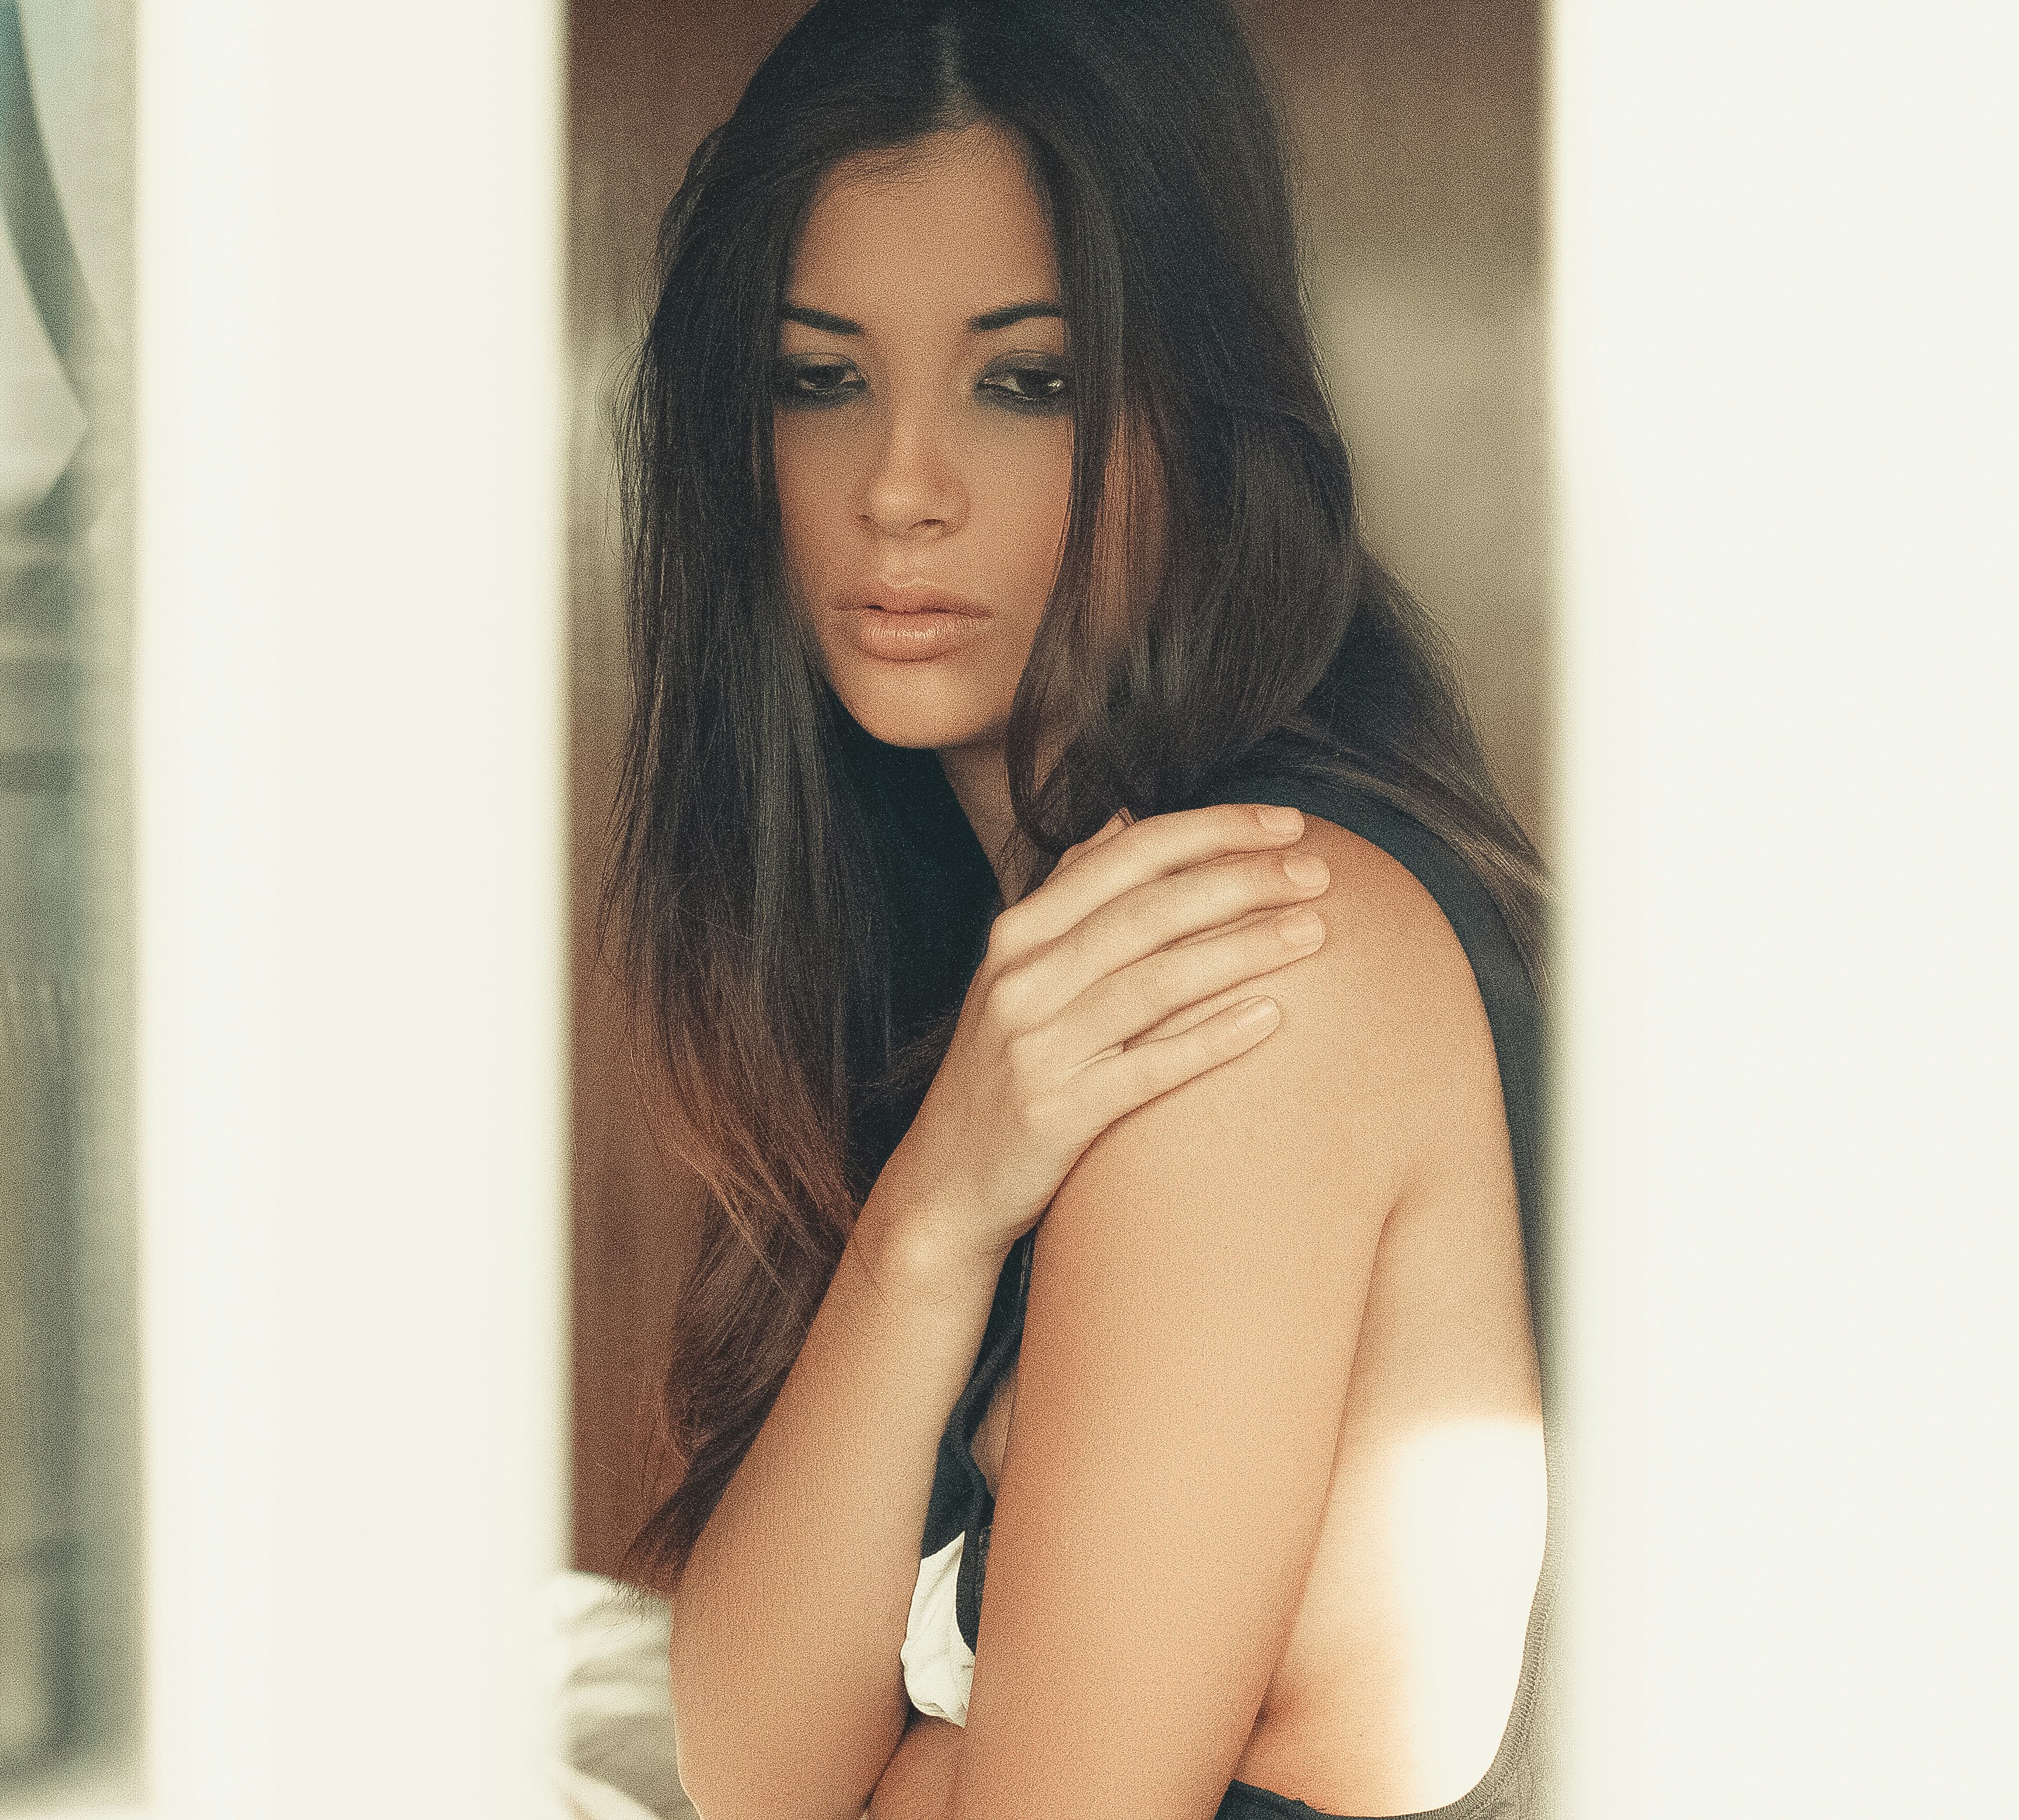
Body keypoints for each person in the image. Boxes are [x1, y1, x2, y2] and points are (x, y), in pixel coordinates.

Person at [605, 1, 1551, 1814]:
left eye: (1021, 381)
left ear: (1194, 404)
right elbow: (750, 1775)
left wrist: (934, 1775)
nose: (900, 489)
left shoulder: (1255, 957)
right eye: (825, 379)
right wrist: (928, 1219)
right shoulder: (1026, 994)